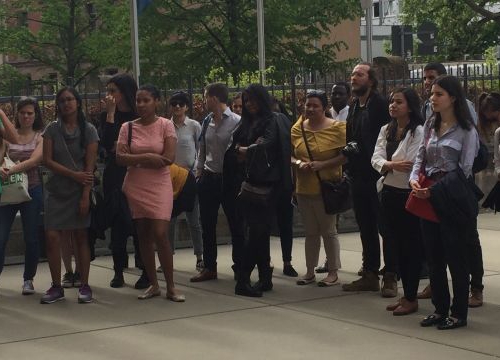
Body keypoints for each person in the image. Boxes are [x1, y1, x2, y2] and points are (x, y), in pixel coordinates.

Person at [410, 75, 479, 330]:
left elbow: (465, 170)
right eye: (431, 93)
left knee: (455, 257)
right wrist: (414, 180)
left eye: (439, 94)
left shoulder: (466, 129)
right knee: (434, 257)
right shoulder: (429, 124)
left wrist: (436, 190)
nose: (433, 98)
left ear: (452, 98)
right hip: (426, 194)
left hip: (451, 197)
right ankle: (439, 309)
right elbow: (420, 157)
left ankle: (458, 313)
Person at [116, 84, 184, 302]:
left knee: (160, 232)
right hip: (136, 185)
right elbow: (120, 158)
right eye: (138, 100)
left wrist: (136, 158)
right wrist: (147, 158)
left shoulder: (166, 125)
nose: (141, 104)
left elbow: (168, 158)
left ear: (157, 101)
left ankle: (171, 286)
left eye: (146, 100)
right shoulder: (127, 127)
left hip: (159, 184)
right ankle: (153, 284)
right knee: (143, 234)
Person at [228, 84, 289, 297]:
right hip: (248, 183)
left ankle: (245, 278)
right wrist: (243, 149)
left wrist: (248, 150)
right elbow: (234, 147)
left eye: (252, 99)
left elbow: (269, 143)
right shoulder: (246, 123)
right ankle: (263, 275)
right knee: (257, 232)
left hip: (269, 184)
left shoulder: (274, 119)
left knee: (258, 232)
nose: (249, 104)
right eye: (246, 100)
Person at [41, 87, 99, 304]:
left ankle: (84, 285)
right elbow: (47, 160)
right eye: (62, 100)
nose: (67, 103)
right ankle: (57, 285)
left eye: (70, 99)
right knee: (52, 237)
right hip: (56, 191)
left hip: (79, 191)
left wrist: (85, 195)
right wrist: (73, 174)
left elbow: (90, 166)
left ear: (78, 102)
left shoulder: (89, 130)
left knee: (81, 237)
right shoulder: (51, 129)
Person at [371, 88, 424, 313]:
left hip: (407, 193)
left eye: (398, 102)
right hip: (388, 192)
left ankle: (411, 297)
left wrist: (387, 164)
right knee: (394, 244)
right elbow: (376, 158)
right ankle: (406, 295)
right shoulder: (386, 129)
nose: (393, 105)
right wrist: (391, 165)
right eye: (391, 101)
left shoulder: (418, 131)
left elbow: (410, 162)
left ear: (410, 106)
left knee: (410, 246)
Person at [291, 90, 349, 287]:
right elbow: (290, 154)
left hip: (327, 188)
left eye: (315, 105)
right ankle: (309, 271)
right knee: (310, 232)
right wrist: (299, 163)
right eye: (308, 105)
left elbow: (345, 156)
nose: (311, 109)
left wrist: (322, 165)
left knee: (328, 231)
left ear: (324, 107)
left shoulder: (338, 128)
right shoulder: (298, 128)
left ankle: (332, 271)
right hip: (303, 187)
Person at [342, 62, 391, 294]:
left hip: (378, 176)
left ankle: (390, 274)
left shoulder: (380, 105)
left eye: (359, 75)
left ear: (371, 80)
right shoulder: (354, 106)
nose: (354, 78)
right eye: (352, 74)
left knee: (386, 227)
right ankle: (370, 271)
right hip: (359, 175)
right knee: (366, 226)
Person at [190, 83, 244, 282]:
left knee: (236, 223)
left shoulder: (238, 121)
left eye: (205, 97)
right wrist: (199, 171)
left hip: (229, 179)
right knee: (207, 225)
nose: (204, 101)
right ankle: (209, 267)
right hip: (209, 177)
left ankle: (240, 266)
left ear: (214, 98)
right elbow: (202, 148)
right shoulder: (206, 121)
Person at [99, 73, 148, 289]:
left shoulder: (139, 116)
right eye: (107, 91)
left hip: (137, 173)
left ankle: (145, 269)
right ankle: (118, 270)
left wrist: (122, 149)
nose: (109, 96)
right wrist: (110, 114)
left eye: (113, 91)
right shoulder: (107, 115)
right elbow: (107, 144)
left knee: (139, 223)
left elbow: (139, 145)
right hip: (115, 174)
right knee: (118, 221)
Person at [0, 97, 44, 295]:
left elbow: (36, 160)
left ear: (36, 116)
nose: (26, 116)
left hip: (32, 190)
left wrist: (12, 168)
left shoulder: (40, 137)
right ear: (17, 114)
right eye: (23, 112)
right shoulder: (8, 133)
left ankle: (28, 278)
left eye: (30, 113)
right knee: (1, 237)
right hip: (8, 191)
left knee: (31, 237)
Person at [316, 81, 352, 274]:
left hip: (348, 168)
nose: (336, 97)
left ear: (348, 96)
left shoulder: (351, 113)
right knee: (329, 220)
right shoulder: (327, 114)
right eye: (333, 94)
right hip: (330, 170)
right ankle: (330, 260)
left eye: (340, 94)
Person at [165, 91, 203, 271]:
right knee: (169, 221)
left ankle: (200, 256)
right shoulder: (165, 126)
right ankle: (168, 256)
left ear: (187, 107)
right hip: (171, 178)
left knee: (193, 220)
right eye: (174, 104)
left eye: (181, 104)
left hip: (190, 177)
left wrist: (197, 169)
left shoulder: (194, 126)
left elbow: (201, 149)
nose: (177, 107)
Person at [270, 97, 298, 277]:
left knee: (285, 224)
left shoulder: (288, 128)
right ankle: (268, 260)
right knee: (265, 225)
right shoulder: (261, 127)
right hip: (268, 182)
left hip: (283, 182)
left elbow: (294, 156)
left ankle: (287, 261)